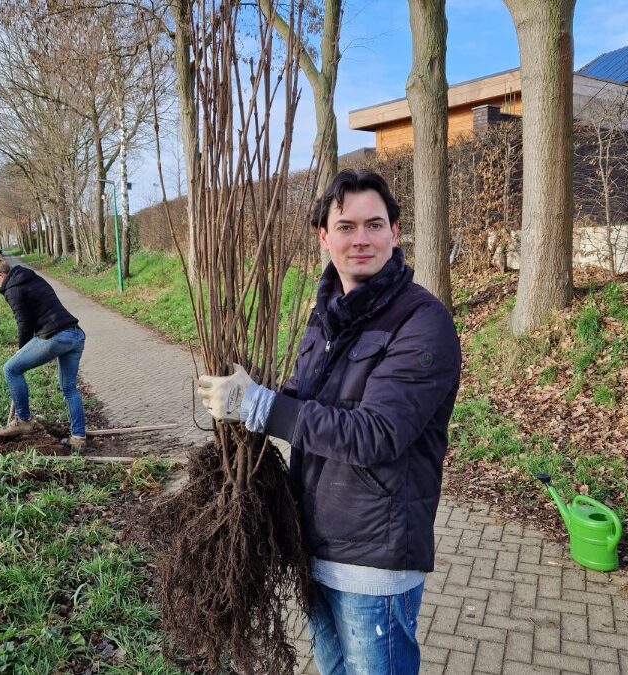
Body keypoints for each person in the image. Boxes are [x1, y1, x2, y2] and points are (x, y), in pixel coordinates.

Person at [198, 169, 462, 674]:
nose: (360, 238)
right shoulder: (326, 316)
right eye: (346, 226)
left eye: (374, 225)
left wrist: (261, 407)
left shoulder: (422, 322)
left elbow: (376, 434)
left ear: (395, 232)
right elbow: (306, 400)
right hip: (314, 542)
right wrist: (253, 396)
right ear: (324, 237)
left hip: (373, 559)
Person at [0, 252, 87, 450]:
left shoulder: (11, 288)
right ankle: (78, 438)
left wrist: (20, 352)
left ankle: (23, 420)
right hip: (75, 335)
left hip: (55, 336)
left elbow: (24, 324)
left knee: (11, 369)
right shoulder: (30, 277)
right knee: (69, 389)